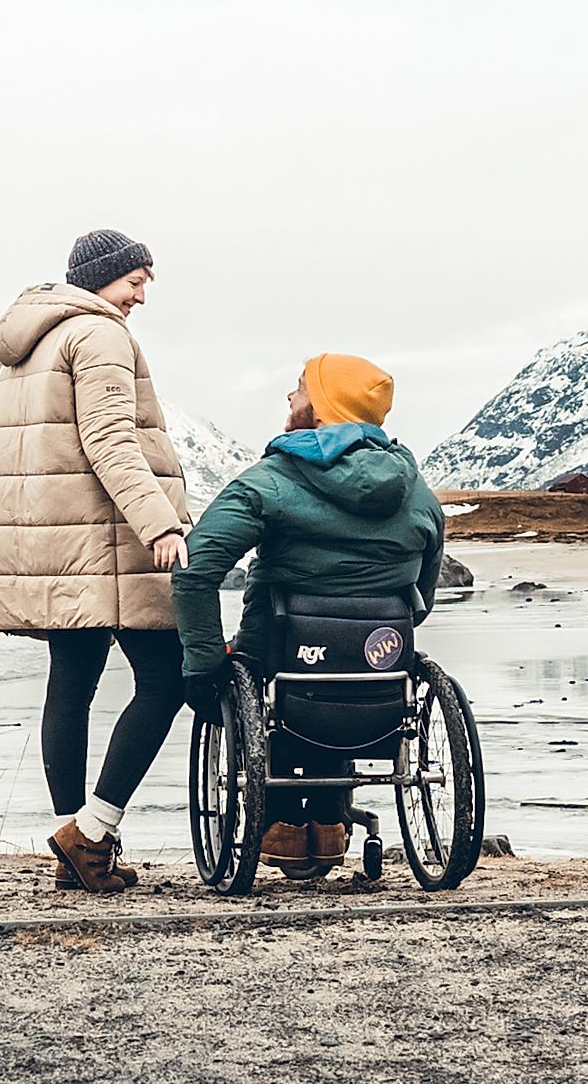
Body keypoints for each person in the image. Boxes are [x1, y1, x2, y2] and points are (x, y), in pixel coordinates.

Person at [0, 228, 195, 893]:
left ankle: (74, 841)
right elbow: (109, 441)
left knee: (71, 682)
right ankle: (93, 830)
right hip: (102, 542)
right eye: (136, 281)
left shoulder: (32, 340)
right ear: (103, 277)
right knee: (167, 678)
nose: (142, 296)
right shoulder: (97, 336)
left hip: (54, 543)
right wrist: (159, 521)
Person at [171, 352, 447, 881]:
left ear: (322, 408)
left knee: (255, 667)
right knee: (343, 660)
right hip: (378, 671)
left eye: (299, 389)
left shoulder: (270, 482)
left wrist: (203, 664)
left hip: (281, 659)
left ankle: (284, 825)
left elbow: (195, 570)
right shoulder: (418, 494)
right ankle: (329, 820)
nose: (290, 399)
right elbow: (423, 599)